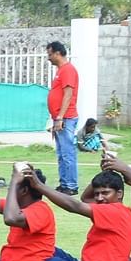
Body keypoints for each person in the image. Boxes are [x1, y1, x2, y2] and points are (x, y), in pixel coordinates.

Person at [30, 168, 131, 261]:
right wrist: (105, 171)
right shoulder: (116, 210)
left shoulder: (115, 212)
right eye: (97, 193)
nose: (99, 198)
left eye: (105, 193)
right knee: (47, 249)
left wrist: (39, 185)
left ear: (119, 193)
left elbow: (75, 206)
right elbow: (86, 198)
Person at [47, 41, 80, 194]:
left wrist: (60, 117)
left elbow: (68, 94)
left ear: (58, 53)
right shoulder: (61, 71)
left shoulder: (68, 70)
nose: (49, 58)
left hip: (66, 118)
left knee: (67, 153)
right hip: (59, 118)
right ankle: (64, 183)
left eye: (50, 54)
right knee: (61, 153)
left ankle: (71, 186)